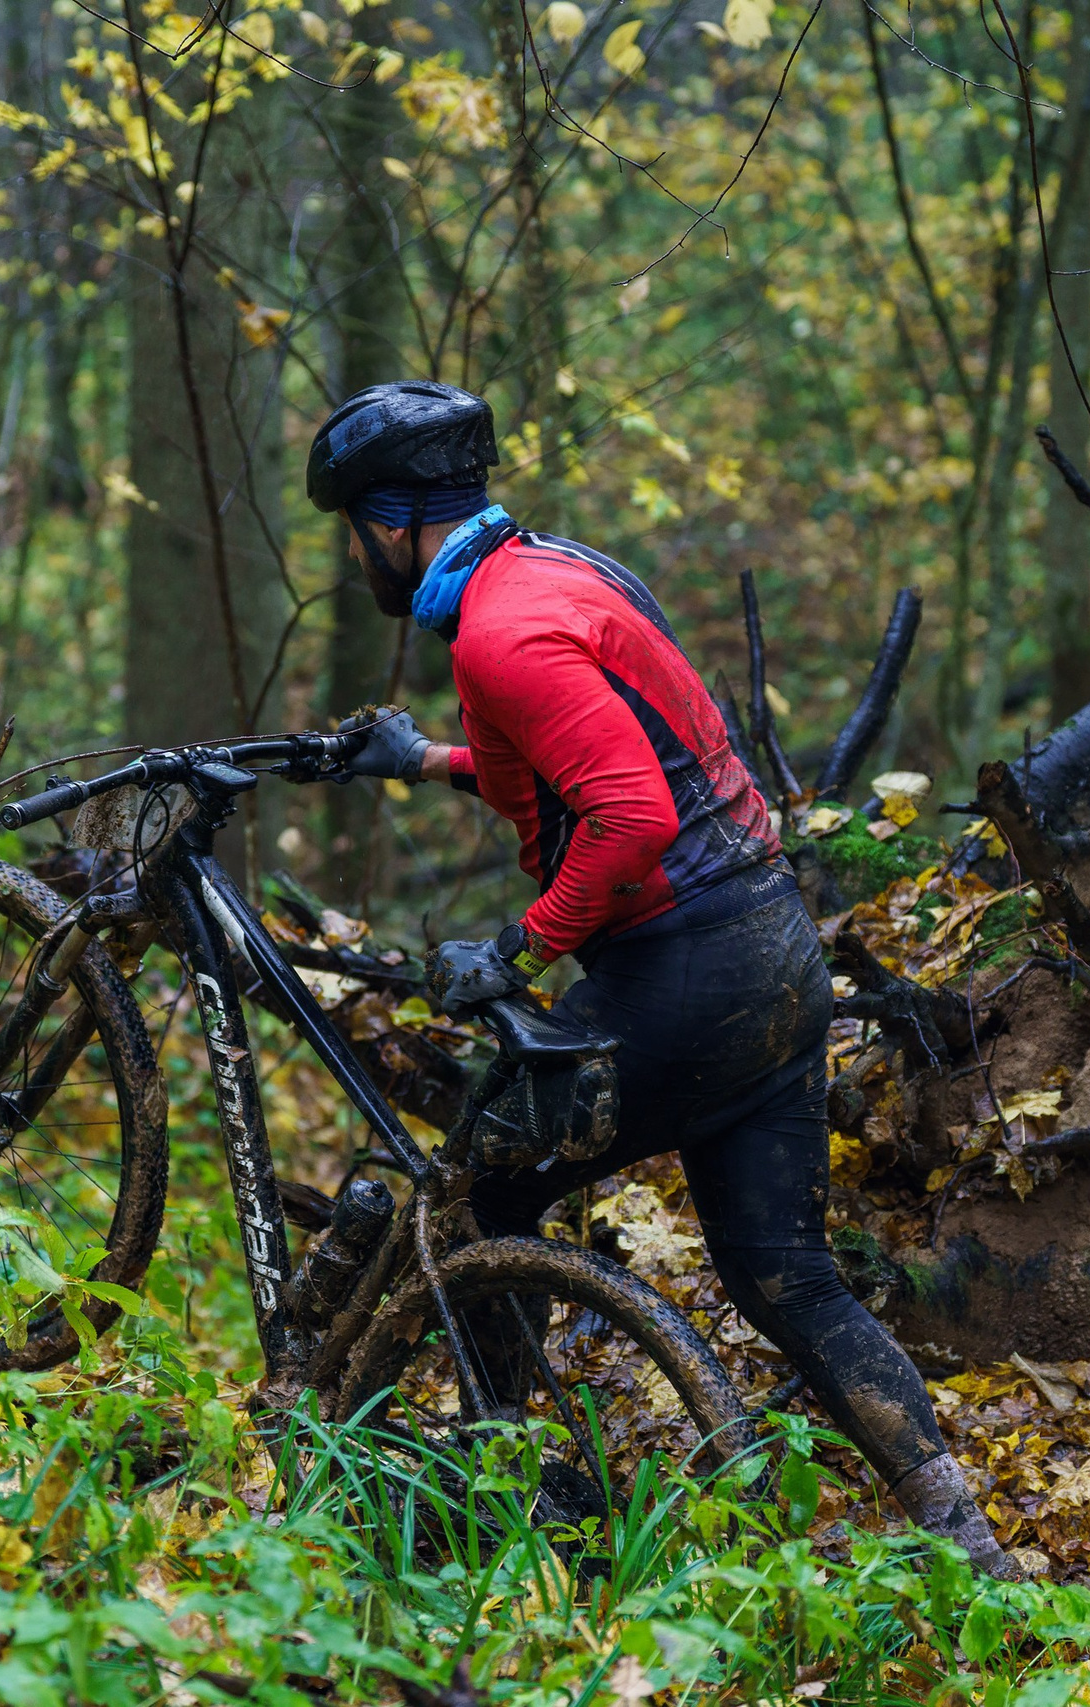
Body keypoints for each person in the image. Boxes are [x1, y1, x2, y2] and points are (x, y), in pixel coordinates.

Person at [306, 379, 1013, 1576]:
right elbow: (600, 761)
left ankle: (498, 1496)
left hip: (686, 970)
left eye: (352, 535)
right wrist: (423, 759)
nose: (358, 558)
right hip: (775, 951)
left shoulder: (498, 629)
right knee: (784, 1271)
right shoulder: (559, 573)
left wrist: (520, 947)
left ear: (386, 525)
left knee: (475, 1195)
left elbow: (627, 814)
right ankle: (968, 1540)